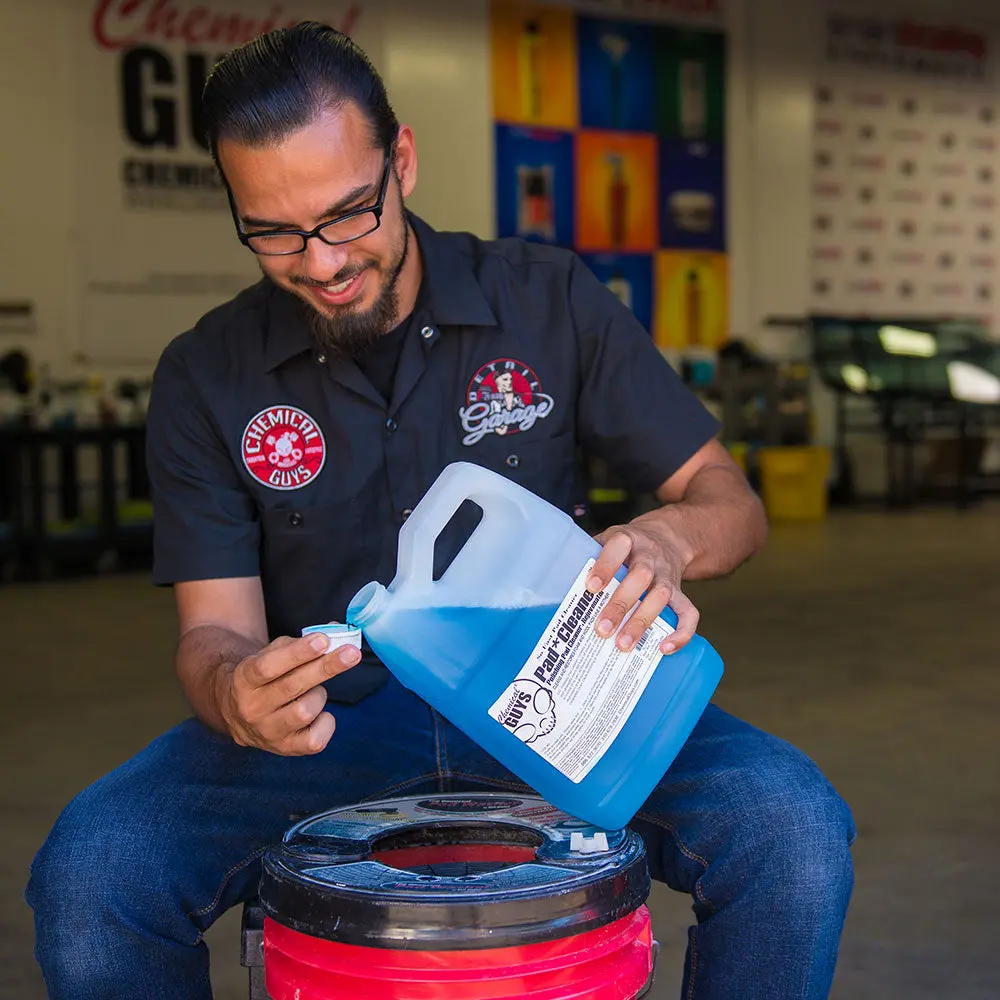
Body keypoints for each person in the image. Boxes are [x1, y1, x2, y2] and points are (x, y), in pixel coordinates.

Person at [26, 22, 855, 1000]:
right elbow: (213, 634)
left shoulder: (547, 301)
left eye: (348, 214)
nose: (321, 262)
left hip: (550, 696)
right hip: (333, 729)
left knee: (792, 827)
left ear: (403, 162)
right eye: (275, 232)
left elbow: (730, 502)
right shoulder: (206, 375)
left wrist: (667, 537)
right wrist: (235, 690)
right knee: (95, 873)